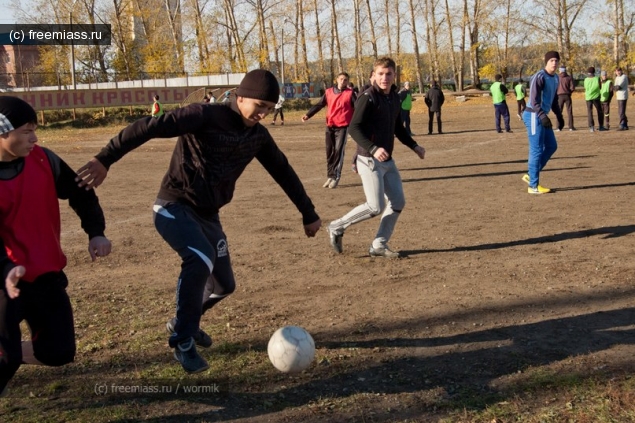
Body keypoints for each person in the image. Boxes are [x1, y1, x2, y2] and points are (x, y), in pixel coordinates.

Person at [75, 69, 322, 374]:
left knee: (224, 285)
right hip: (173, 206)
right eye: (259, 106)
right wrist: (105, 158)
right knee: (199, 258)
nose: (263, 113)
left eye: (269, 109)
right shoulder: (203, 115)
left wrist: (308, 213)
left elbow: (283, 171)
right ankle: (182, 341)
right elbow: (149, 126)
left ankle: (184, 321)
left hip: (208, 215)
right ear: (240, 97)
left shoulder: (257, 136)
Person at [0, 96, 112, 394]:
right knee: (4, 361)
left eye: (34, 129)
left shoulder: (43, 159)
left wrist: (96, 232)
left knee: (58, 351)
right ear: (2, 133)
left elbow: (81, 193)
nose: (34, 138)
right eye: (26, 131)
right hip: (5, 284)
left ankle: (8, 351)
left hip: (45, 277)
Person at [326, 57, 425, 258]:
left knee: (397, 201)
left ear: (394, 75)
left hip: (387, 161)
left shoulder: (394, 98)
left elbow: (397, 127)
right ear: (373, 76)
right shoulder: (367, 97)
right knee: (375, 206)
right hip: (368, 159)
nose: (384, 78)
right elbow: (354, 127)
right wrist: (373, 148)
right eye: (380, 74)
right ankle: (337, 226)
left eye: (388, 74)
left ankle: (379, 244)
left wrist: (414, 146)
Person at [302, 72, 356, 189]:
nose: (343, 81)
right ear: (337, 80)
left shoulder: (350, 94)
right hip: (330, 125)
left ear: (347, 82)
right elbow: (319, 105)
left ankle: (336, 176)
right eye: (341, 79)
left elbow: (358, 108)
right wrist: (308, 114)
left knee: (338, 151)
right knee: (329, 152)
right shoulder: (329, 92)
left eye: (345, 80)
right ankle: (330, 176)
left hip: (343, 127)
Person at [521, 51, 564, 195]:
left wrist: (559, 115)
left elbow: (553, 100)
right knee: (536, 149)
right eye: (551, 60)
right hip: (533, 114)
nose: (554, 63)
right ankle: (533, 186)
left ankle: (531, 175)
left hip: (542, 115)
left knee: (552, 146)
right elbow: (533, 100)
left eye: (556, 60)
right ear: (546, 62)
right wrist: (542, 116)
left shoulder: (556, 78)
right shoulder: (539, 77)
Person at [584, 67, 605, 132]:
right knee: (599, 111)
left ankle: (591, 126)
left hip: (588, 97)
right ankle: (601, 125)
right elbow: (600, 87)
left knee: (590, 112)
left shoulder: (586, 79)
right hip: (596, 97)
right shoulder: (597, 78)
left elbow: (585, 87)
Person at [556, 66, 576, 131]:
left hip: (559, 96)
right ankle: (571, 127)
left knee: (559, 111)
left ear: (560, 71)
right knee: (569, 111)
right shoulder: (569, 77)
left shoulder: (557, 78)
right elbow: (572, 87)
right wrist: (569, 92)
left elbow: (555, 87)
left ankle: (558, 127)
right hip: (567, 95)